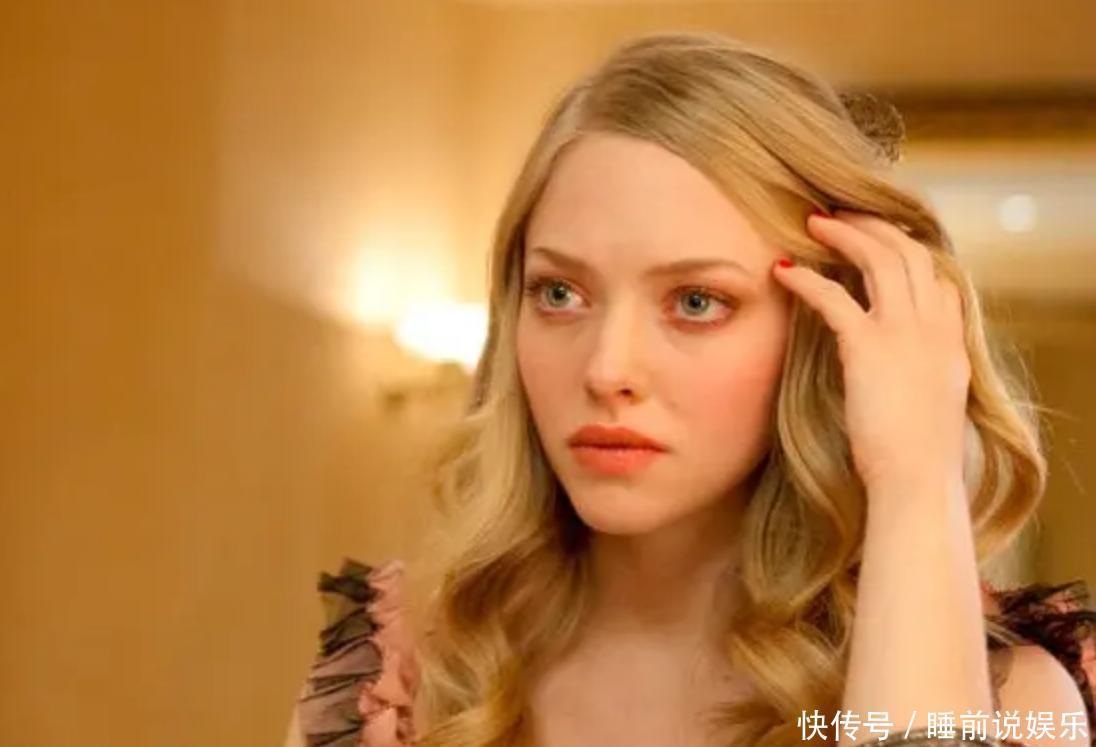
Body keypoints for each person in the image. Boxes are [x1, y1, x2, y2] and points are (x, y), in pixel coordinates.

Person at [285, 31, 1096, 747]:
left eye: (697, 302)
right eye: (560, 293)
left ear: (824, 335)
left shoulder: (1015, 702)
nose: (607, 369)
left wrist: (914, 479)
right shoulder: (394, 686)